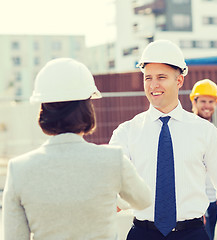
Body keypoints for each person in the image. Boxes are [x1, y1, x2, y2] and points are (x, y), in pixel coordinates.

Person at [109, 39, 217, 240]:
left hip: (192, 234)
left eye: (161, 77)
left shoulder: (205, 132)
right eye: (148, 78)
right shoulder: (127, 132)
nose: (153, 85)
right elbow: (110, 184)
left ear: (179, 80)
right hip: (142, 234)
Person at [2, 58, 151, 240]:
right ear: (87, 109)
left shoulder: (19, 169)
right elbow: (144, 200)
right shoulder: (112, 159)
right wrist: (108, 197)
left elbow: (14, 236)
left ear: (43, 110)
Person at [189, 78, 217, 240]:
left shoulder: (211, 130)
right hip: (195, 202)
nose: (207, 106)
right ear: (194, 102)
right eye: (203, 101)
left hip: (212, 200)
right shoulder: (187, 129)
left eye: (211, 101)